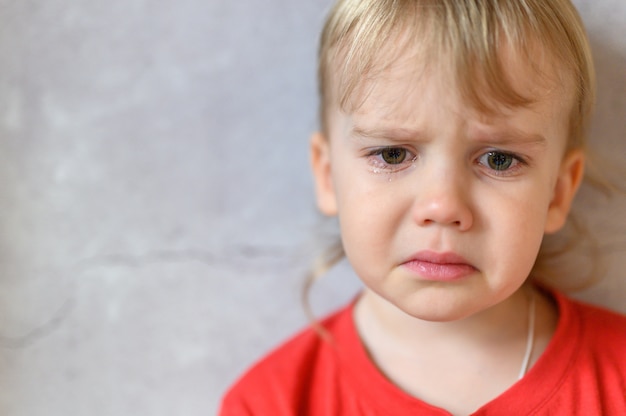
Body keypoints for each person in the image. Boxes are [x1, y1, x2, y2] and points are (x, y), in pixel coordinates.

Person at [220, 0, 626, 414]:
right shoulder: (271, 403)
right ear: (327, 176)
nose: (443, 206)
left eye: (498, 159)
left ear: (557, 193)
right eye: (393, 154)